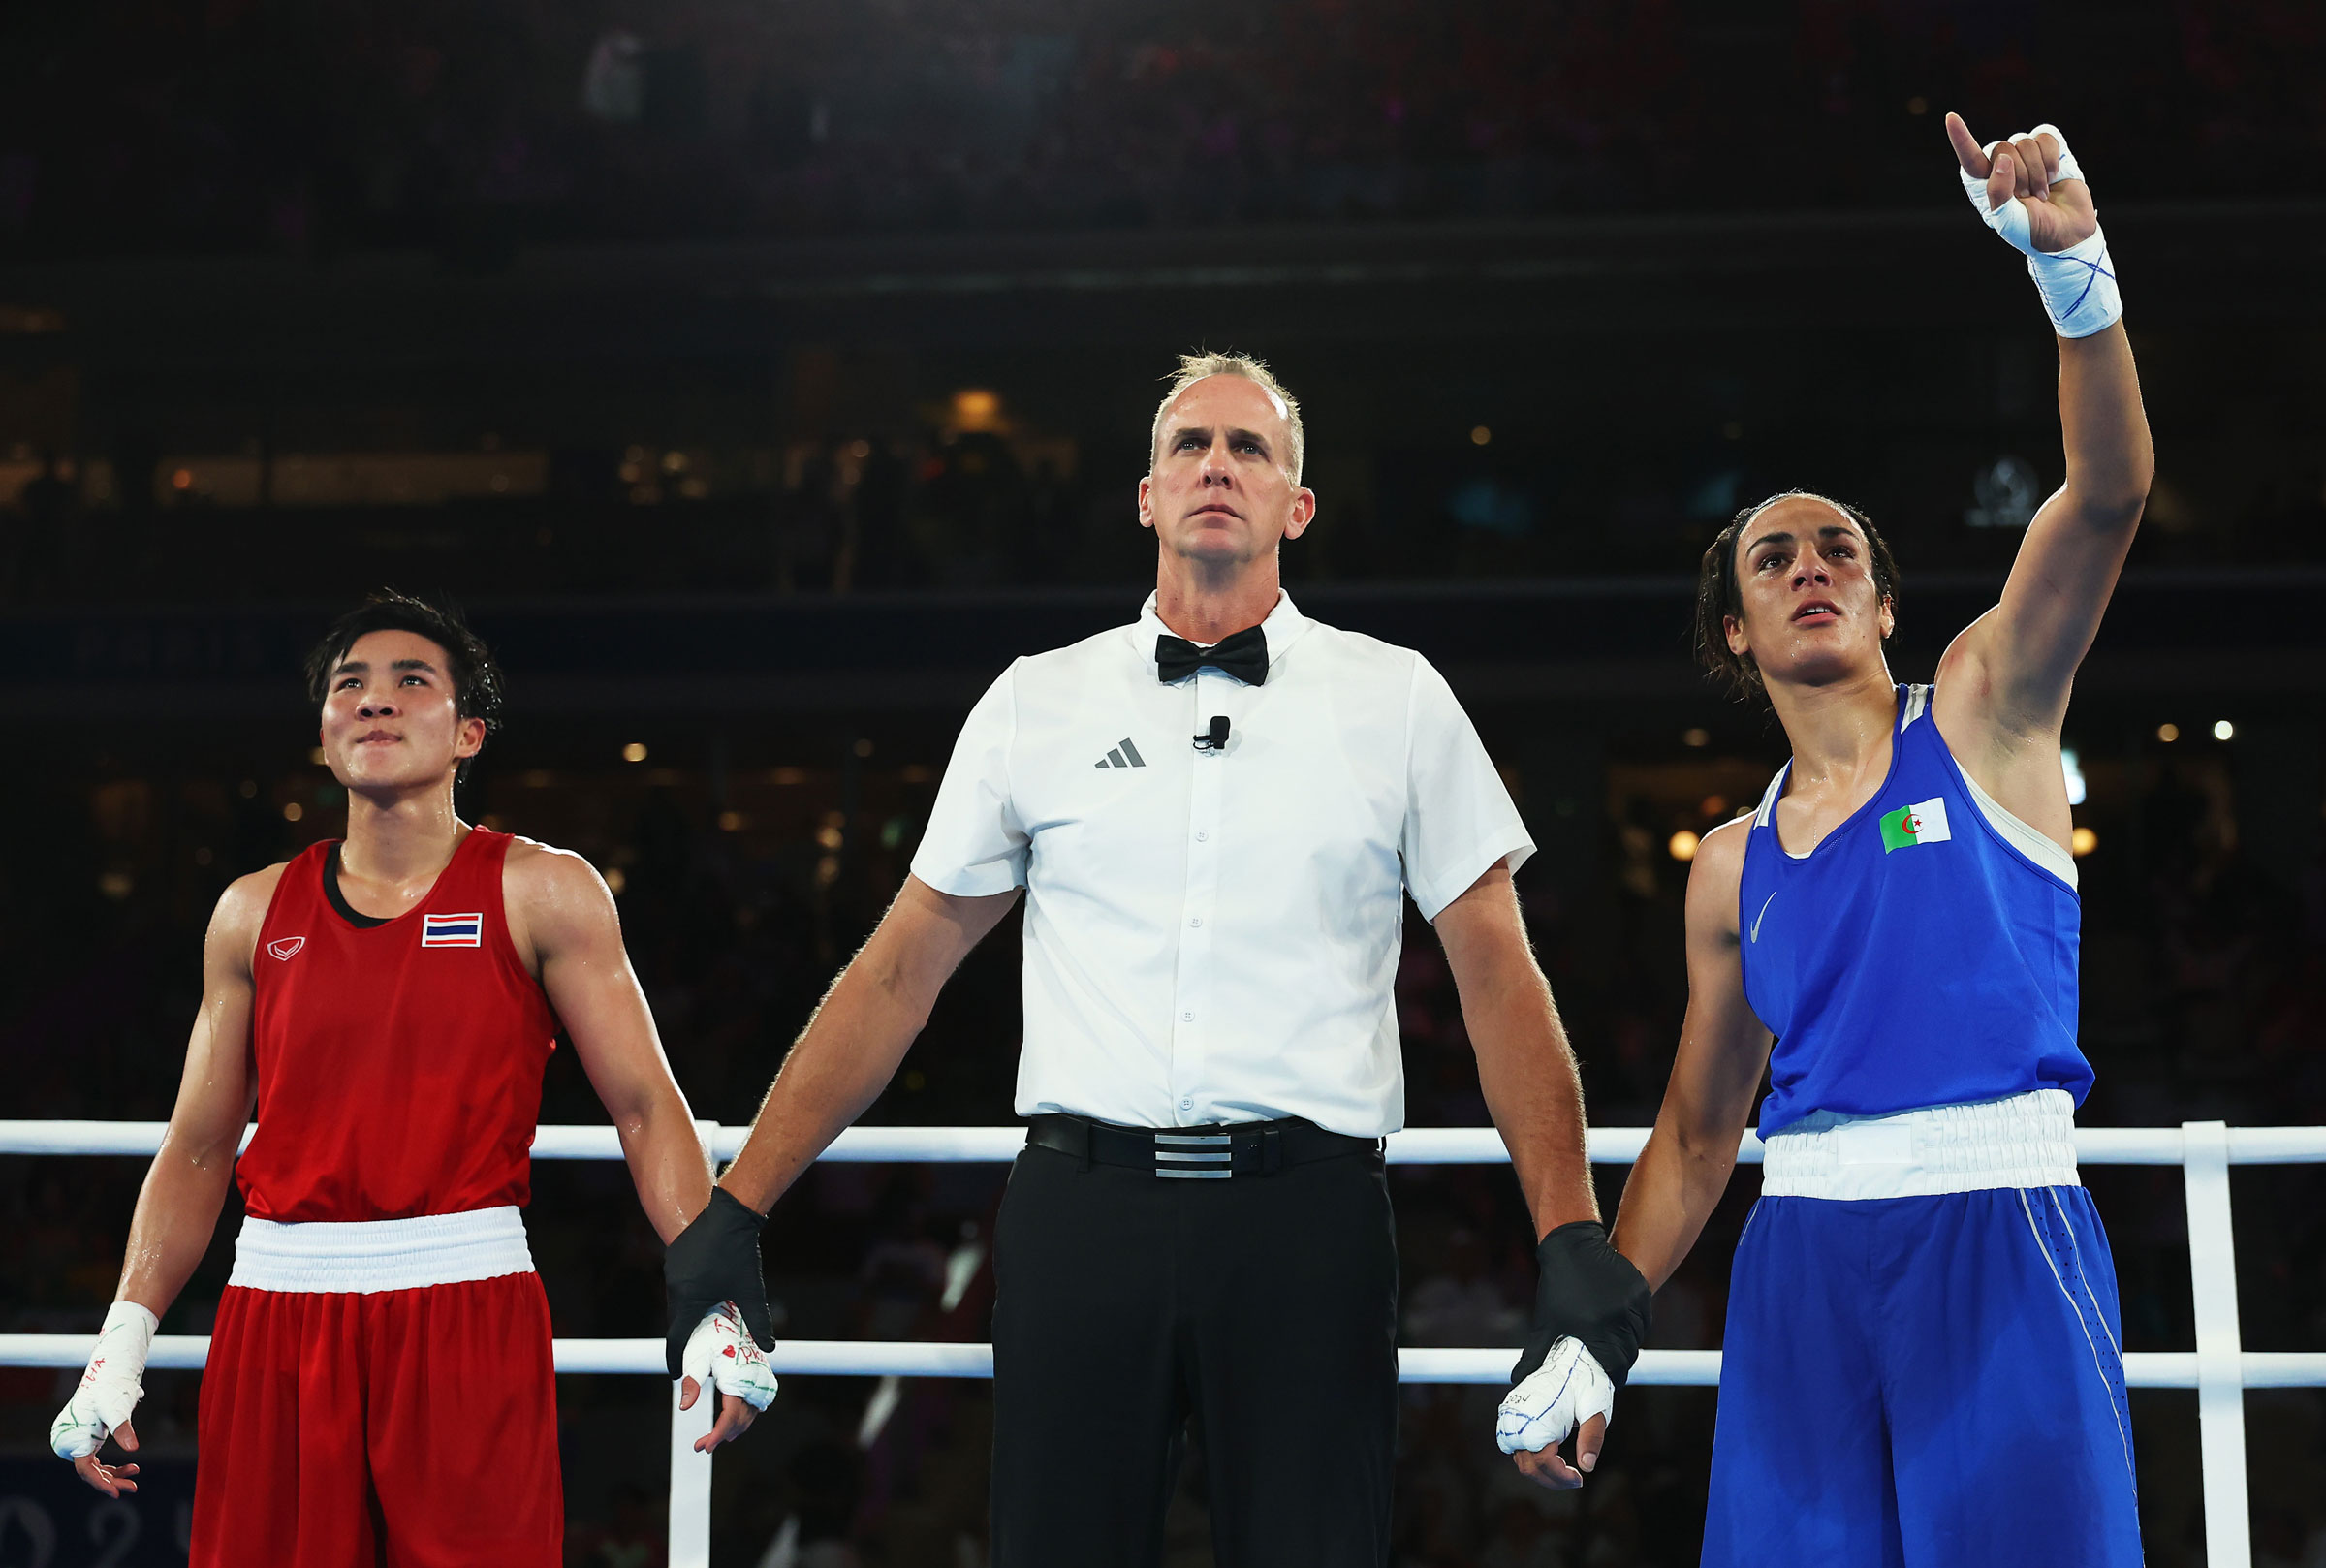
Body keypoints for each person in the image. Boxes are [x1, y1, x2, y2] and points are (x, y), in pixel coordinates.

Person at [663, 352, 1653, 1566]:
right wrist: (737, 1203)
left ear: (1297, 507)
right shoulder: (1038, 700)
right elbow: (897, 967)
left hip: (1309, 1221)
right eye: (1191, 444)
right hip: (1085, 1215)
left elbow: (1498, 974)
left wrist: (1569, 1237)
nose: (1216, 466)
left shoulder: (1397, 697)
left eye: (1249, 448)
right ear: (1146, 494)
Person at [1602, 118, 2153, 1565]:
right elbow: (1698, 1129)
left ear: (1887, 604)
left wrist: (2073, 275)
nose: (1810, 568)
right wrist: (1594, 1326)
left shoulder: (1985, 709)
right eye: (1772, 558)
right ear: (1738, 629)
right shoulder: (1728, 863)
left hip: (2000, 1225)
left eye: (1839, 547)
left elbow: (2105, 495)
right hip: (1803, 1259)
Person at [49, 591, 775, 1567]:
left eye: (411, 681)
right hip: (276, 1313)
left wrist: (713, 1299)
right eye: (351, 684)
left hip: (464, 1304)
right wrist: (121, 1345)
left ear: (468, 731)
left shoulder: (541, 888)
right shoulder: (250, 912)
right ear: (322, 733)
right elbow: (200, 1144)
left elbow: (648, 1109)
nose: (375, 700)